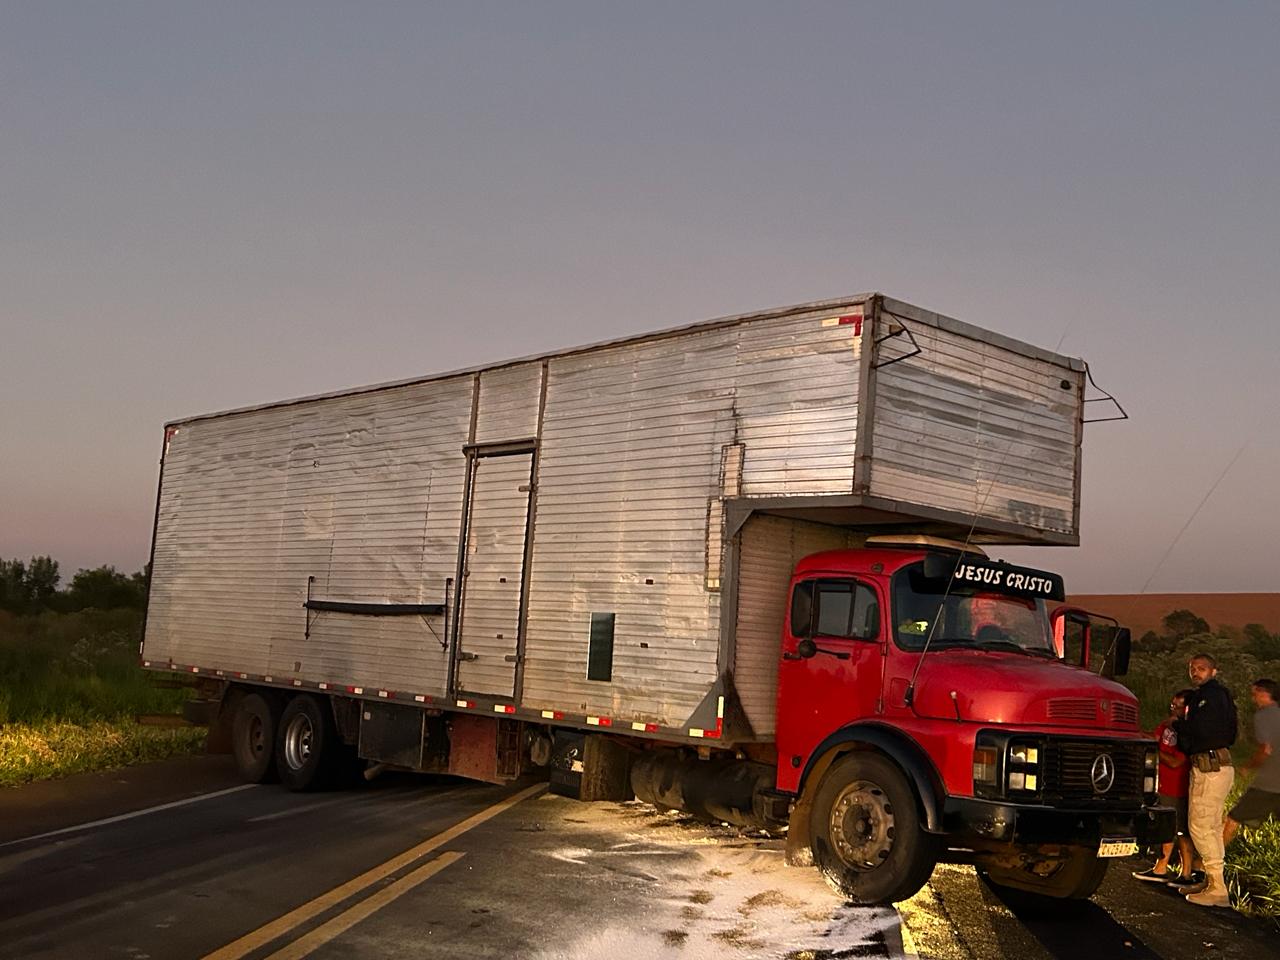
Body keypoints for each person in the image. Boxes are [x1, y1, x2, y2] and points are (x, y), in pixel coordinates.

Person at [1175, 652, 1238, 908]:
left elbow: (1202, 730)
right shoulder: (1220, 696)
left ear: (1214, 671)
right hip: (1216, 765)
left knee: (1200, 826)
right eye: (1192, 668)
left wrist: (1180, 727)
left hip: (1210, 766)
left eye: (1201, 668)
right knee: (1210, 827)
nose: (1195, 672)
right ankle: (1213, 881)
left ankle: (1218, 888)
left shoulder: (1209, 696)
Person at [1132, 689, 1200, 885]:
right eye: (1173, 705)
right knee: (1167, 829)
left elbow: (1176, 762)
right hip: (1161, 783)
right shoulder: (1165, 726)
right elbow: (1154, 738)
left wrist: (1155, 751)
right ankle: (1162, 868)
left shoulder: (1186, 732)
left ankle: (1184, 872)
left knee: (1180, 831)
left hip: (1177, 785)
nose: (1174, 709)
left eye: (1178, 706)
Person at [1223, 678, 1280, 846]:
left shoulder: (1263, 715)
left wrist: (1248, 767)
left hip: (1267, 784)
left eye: (1255, 694)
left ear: (1265, 693)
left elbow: (1265, 749)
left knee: (1233, 818)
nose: (1253, 698)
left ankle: (1209, 863)